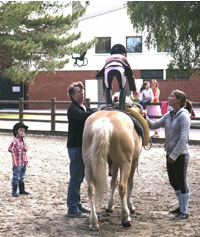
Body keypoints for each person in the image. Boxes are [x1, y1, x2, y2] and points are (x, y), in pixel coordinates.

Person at [145, 89, 191, 220]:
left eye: (171, 96)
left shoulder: (184, 116)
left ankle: (184, 211)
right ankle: (180, 207)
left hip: (180, 155)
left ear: (178, 101)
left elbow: (184, 138)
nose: (168, 97)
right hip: (170, 154)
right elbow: (154, 124)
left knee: (182, 182)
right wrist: (144, 116)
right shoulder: (169, 115)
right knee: (173, 181)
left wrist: (174, 155)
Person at [66, 81, 95, 218]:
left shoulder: (83, 106)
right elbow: (84, 116)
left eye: (82, 91)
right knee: (75, 178)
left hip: (82, 146)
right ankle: (72, 208)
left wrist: (104, 109)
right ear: (72, 95)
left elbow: (91, 112)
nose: (82, 93)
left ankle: (77, 204)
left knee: (80, 177)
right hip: (75, 146)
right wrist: (101, 112)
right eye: (78, 92)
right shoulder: (73, 109)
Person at [96, 44, 139, 111]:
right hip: (120, 69)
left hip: (107, 69)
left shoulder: (108, 58)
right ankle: (121, 108)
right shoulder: (123, 58)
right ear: (123, 54)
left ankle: (109, 106)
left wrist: (104, 90)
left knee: (108, 87)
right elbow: (130, 74)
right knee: (123, 87)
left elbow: (104, 76)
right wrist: (134, 90)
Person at [8, 122, 30, 197]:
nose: (22, 132)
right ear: (16, 132)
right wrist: (14, 162)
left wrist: (25, 148)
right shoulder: (14, 141)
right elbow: (12, 151)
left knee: (22, 177)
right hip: (17, 162)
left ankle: (21, 190)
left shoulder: (23, 141)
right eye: (21, 130)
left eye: (23, 131)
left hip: (23, 162)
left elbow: (26, 149)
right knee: (16, 177)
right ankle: (14, 191)